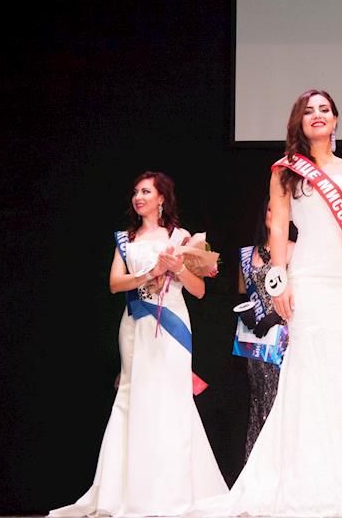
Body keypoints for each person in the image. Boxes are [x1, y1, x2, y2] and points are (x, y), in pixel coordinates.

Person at [195, 90, 342, 516]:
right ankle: (307, 478)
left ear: (335, 120)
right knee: (309, 373)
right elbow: (278, 230)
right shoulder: (286, 171)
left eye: (324, 109)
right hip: (309, 282)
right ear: (298, 122)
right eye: (308, 110)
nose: (317, 115)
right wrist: (279, 282)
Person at [50, 171, 226, 517]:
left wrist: (177, 268)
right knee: (134, 396)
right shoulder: (125, 239)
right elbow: (115, 284)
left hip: (173, 325)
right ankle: (127, 491)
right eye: (135, 192)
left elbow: (199, 291)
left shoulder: (182, 237)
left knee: (171, 398)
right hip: (136, 325)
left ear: (162, 198)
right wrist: (151, 273)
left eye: (146, 191)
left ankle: (174, 490)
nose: (138, 197)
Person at [236, 197, 294, 461]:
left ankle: (282, 464)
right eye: (271, 209)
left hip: (285, 337)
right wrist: (247, 312)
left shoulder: (296, 250)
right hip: (256, 339)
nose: (275, 214)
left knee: (281, 398)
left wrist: (275, 316)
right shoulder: (249, 254)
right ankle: (256, 464)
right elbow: (243, 291)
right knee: (258, 398)